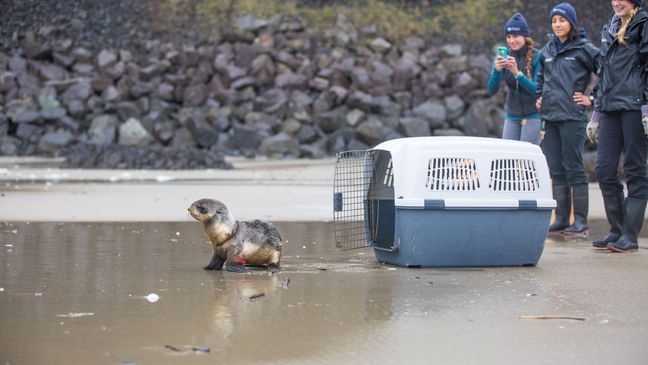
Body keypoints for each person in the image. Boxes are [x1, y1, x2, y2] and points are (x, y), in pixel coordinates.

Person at [536, 2, 602, 237]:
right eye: (554, 21)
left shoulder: (584, 48)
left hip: (573, 117)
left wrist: (591, 98)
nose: (557, 25)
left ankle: (581, 223)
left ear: (571, 23)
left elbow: (606, 71)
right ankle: (562, 219)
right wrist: (538, 96)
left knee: (574, 168)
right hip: (550, 117)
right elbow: (541, 76)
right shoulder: (547, 50)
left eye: (562, 20)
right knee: (556, 169)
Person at [587, 0, 648, 252]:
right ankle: (617, 229)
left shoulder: (643, 25)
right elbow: (604, 73)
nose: (616, 2)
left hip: (636, 107)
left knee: (635, 170)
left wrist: (647, 108)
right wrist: (596, 115)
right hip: (610, 107)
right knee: (603, 169)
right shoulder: (608, 28)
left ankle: (630, 236)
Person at [487, 13, 543, 145]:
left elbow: (537, 90)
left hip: (533, 115)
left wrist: (517, 73)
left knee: (525, 160)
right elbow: (491, 90)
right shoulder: (505, 55)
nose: (512, 40)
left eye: (516, 36)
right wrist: (497, 70)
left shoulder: (537, 56)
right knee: (508, 159)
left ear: (525, 36)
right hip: (512, 115)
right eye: (509, 37)